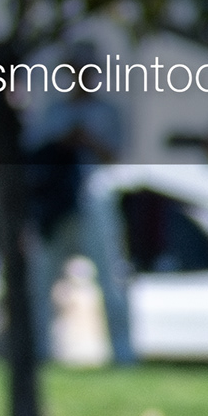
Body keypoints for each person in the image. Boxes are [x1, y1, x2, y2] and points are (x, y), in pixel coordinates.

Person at [27, 73, 134, 369]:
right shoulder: (53, 111)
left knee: (111, 276)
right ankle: (41, 351)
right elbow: (38, 151)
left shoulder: (107, 112)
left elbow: (115, 154)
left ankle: (123, 354)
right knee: (43, 278)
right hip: (56, 203)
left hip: (94, 196)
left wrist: (87, 139)